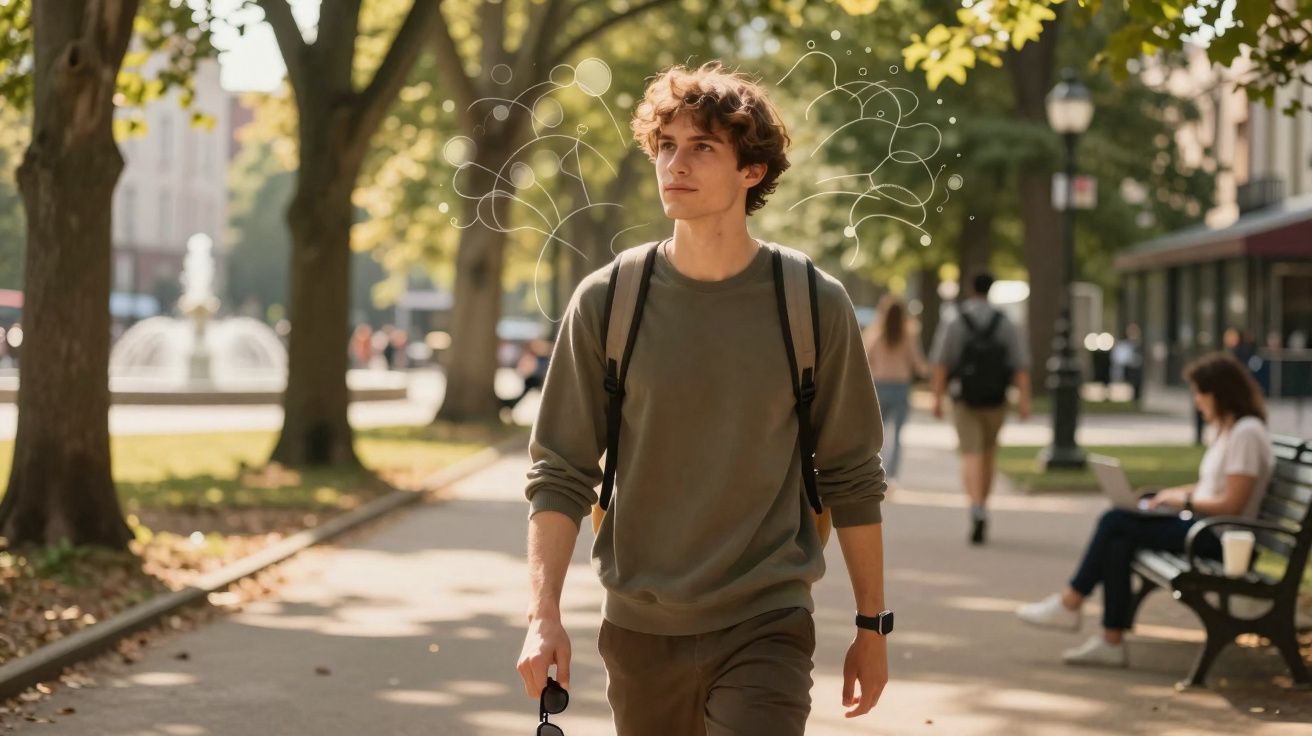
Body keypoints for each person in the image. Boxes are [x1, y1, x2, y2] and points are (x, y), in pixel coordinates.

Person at [516, 63, 890, 736]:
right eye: (666, 146)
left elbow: (852, 474)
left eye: (702, 147)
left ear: (752, 170)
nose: (675, 164)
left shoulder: (812, 304)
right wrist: (543, 615)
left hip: (767, 618)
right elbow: (560, 472)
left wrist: (872, 625)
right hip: (639, 627)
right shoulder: (608, 302)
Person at [1016, 352, 1274, 667]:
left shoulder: (1247, 433)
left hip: (1220, 540)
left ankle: (1071, 601)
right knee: (1119, 541)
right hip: (1204, 528)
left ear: (1219, 392)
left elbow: (1233, 504)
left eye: (1199, 393)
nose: (1196, 401)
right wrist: (1168, 494)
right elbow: (1210, 486)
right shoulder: (1229, 430)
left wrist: (1182, 502)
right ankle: (1110, 641)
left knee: (1115, 521)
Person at [929, 271, 1031, 544]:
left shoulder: (954, 319)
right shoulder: (1006, 322)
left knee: (970, 454)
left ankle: (975, 507)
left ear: (970, 288)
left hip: (965, 399)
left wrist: (937, 398)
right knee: (988, 454)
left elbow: (941, 362)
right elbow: (1020, 364)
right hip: (997, 399)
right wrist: (1024, 400)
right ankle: (983, 504)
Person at [863, 295, 926, 480]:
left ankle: (877, 470)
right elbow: (917, 362)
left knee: (877, 433)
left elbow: (864, 359)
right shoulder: (908, 335)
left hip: (879, 386)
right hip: (900, 387)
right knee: (897, 434)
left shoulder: (874, 333)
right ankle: (892, 474)